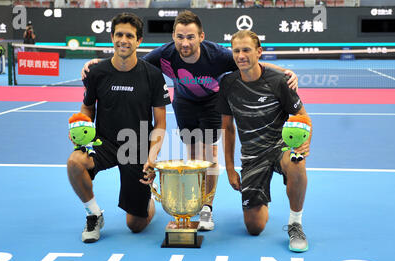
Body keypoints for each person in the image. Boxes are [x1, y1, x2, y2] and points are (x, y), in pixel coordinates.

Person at [81, 10, 299, 232]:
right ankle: (196, 197)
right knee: (194, 154)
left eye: (190, 37)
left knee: (210, 153)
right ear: (173, 36)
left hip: (212, 103)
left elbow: (252, 63)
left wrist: (284, 72)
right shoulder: (164, 55)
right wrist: (101, 64)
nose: (185, 42)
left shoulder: (217, 55)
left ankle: (207, 207)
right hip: (184, 103)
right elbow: (130, 64)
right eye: (180, 37)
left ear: (201, 37)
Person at [67, 12, 170, 243]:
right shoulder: (96, 73)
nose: (124, 40)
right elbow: (87, 109)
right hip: (104, 142)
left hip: (136, 147)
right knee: (75, 162)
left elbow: (161, 124)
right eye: (119, 34)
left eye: (130, 36)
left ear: (139, 40)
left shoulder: (153, 76)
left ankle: (147, 201)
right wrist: (82, 133)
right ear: (112, 37)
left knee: (136, 225)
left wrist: (152, 156)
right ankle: (93, 214)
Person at [217, 30, 311, 252]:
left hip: (280, 148)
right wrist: (230, 168)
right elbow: (227, 128)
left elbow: (303, 117)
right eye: (237, 51)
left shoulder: (278, 82)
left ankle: (295, 224)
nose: (241, 55)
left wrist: (306, 142)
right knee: (254, 227)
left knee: (297, 162)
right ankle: (260, 197)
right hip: (252, 156)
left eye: (246, 50)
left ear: (259, 52)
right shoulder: (228, 84)